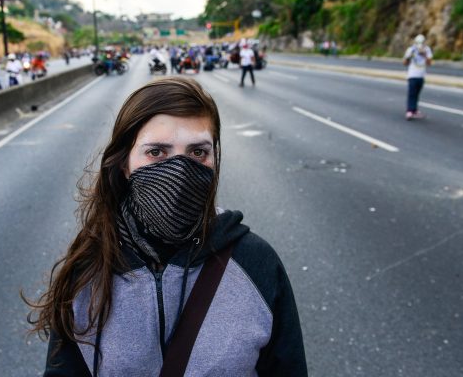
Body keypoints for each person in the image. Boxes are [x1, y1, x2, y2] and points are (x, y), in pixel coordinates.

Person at [27, 77, 307, 376]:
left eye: (197, 152)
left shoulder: (255, 262)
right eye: (157, 152)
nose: (180, 171)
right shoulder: (88, 269)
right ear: (124, 164)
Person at [403, 34, 433, 120]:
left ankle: (414, 110)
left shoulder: (427, 50)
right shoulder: (411, 49)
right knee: (412, 93)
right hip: (412, 75)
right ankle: (409, 111)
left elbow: (429, 63)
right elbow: (405, 63)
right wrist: (409, 57)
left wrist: (424, 55)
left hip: (421, 75)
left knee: (417, 94)